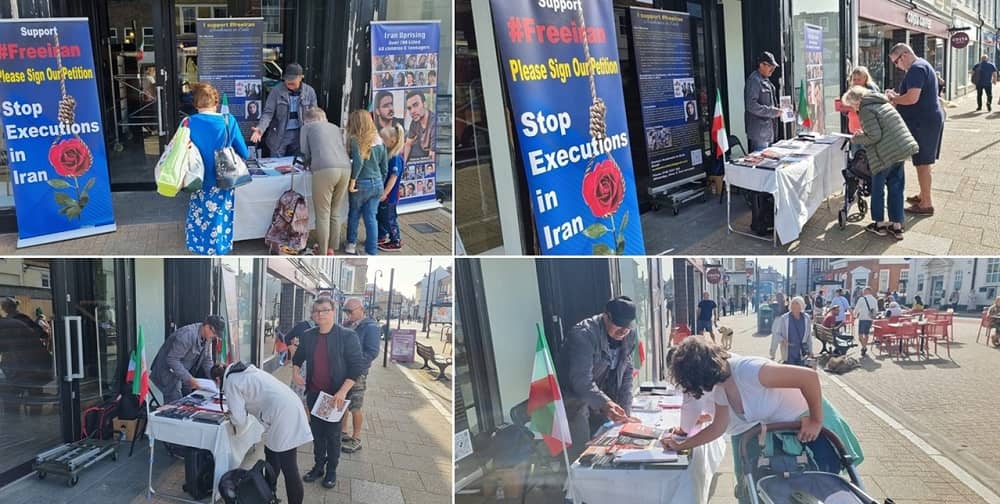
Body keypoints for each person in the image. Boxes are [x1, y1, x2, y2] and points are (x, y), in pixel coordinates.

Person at [663, 337, 863, 503]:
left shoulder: (749, 370)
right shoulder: (721, 387)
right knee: (798, 494)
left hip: (812, 424)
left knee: (824, 490)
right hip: (789, 433)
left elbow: (809, 378)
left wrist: (816, 420)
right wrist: (683, 444)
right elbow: (717, 428)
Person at [211, 362, 312, 504]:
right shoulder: (242, 371)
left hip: (283, 414)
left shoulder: (231, 381)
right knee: (271, 458)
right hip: (286, 406)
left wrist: (233, 416)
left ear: (217, 380)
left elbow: (239, 420)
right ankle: (267, 497)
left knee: (289, 468)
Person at [291, 298, 365, 489]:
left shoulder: (347, 336)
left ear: (334, 312)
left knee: (333, 435)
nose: (320, 314)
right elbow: (298, 357)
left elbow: (357, 367)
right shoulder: (308, 335)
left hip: (335, 397)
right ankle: (318, 467)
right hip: (315, 394)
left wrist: (342, 392)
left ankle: (331, 470)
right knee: (317, 434)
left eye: (324, 310)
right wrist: (295, 372)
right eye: (316, 311)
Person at [557, 296, 640, 461]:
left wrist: (625, 413)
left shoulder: (629, 335)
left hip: (601, 394)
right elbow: (581, 381)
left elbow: (626, 375)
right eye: (619, 324)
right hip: (573, 398)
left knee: (610, 445)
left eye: (628, 326)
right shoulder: (583, 335)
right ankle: (574, 484)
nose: (623, 331)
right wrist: (606, 404)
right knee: (582, 455)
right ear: (606, 316)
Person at [841, 86, 918, 240]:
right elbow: (882, 130)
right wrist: (865, 134)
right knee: (896, 188)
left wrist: (856, 138)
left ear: (857, 102)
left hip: (884, 155)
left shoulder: (866, 109)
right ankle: (897, 225)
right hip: (899, 150)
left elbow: (875, 136)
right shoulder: (881, 103)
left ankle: (880, 224)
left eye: (853, 106)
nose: (855, 109)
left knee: (878, 190)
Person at [184, 82, 250, 255]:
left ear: (196, 103)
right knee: (220, 216)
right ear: (216, 102)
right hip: (224, 180)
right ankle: (219, 250)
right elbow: (244, 152)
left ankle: (200, 249)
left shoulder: (187, 122)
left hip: (197, 179)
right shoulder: (229, 121)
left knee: (200, 216)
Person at [886, 43, 944, 215]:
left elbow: (912, 98)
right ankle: (923, 194)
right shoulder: (922, 65)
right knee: (923, 162)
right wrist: (897, 96)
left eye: (896, 62)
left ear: (903, 56)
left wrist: (895, 98)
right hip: (927, 120)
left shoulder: (916, 69)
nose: (897, 66)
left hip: (923, 123)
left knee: (922, 163)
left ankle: (926, 204)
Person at [300, 107, 351, 255]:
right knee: (335, 212)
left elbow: (305, 151)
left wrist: (307, 163)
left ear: (307, 120)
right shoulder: (335, 127)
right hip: (346, 168)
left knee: (322, 213)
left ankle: (321, 252)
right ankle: (331, 249)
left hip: (325, 169)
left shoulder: (307, 127)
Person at [150, 315, 224, 405]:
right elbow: (172, 359)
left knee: (191, 400)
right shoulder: (187, 335)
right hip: (167, 373)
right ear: (208, 327)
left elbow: (207, 360)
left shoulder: (207, 337)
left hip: (181, 373)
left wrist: (214, 377)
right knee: (175, 406)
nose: (215, 337)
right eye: (214, 333)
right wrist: (189, 379)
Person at [339, 298, 381, 453]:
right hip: (343, 371)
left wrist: (355, 367)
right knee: (342, 402)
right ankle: (343, 432)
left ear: (361, 309)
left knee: (355, 406)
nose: (347, 314)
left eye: (350, 311)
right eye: (345, 311)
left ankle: (356, 438)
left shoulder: (371, 327)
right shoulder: (347, 325)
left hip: (357, 373)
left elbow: (371, 352)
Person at [345, 110, 389, 256]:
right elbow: (385, 167)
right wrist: (380, 182)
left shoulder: (356, 139)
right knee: (371, 217)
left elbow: (358, 162)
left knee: (354, 214)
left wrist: (352, 182)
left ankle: (351, 244)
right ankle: (371, 250)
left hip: (361, 183)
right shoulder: (379, 140)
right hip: (377, 184)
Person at [251, 63, 318, 157]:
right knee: (276, 164)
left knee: (299, 164)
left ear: (301, 77)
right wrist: (260, 129)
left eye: (292, 81)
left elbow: (314, 115)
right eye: (287, 81)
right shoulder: (276, 91)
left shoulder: (309, 92)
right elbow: (268, 113)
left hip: (300, 134)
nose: (289, 84)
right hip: (279, 134)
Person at [744, 51, 782, 151]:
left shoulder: (766, 80)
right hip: (759, 134)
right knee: (762, 163)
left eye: (774, 67)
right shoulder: (754, 80)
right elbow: (751, 105)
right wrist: (773, 111)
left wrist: (780, 108)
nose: (772, 70)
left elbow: (768, 103)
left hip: (768, 132)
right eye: (770, 66)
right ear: (761, 65)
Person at [377, 124, 405, 252]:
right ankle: (382, 235)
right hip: (387, 195)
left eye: (382, 139)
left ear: (392, 141)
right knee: (382, 216)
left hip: (390, 196)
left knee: (389, 218)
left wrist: (385, 193)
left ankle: (396, 240)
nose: (380, 141)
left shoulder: (395, 158)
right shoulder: (390, 155)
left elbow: (393, 177)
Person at [770, 296, 813, 366]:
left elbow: (809, 337)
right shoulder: (784, 318)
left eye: (797, 303)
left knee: (800, 372)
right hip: (789, 352)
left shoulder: (806, 318)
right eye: (793, 303)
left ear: (801, 305)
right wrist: (783, 340)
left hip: (802, 351)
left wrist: (810, 351)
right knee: (790, 372)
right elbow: (777, 334)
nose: (794, 305)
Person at [403, 90, 436, 161]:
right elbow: (408, 144)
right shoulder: (414, 122)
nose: (412, 111)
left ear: (424, 104)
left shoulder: (434, 122)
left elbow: (433, 154)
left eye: (415, 105)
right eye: (409, 108)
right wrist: (404, 165)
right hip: (421, 150)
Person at [853, 287, 879, 357]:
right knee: (866, 334)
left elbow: (856, 308)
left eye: (864, 291)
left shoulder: (862, 299)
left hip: (863, 318)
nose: (863, 292)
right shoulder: (874, 299)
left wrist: (854, 316)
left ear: (867, 291)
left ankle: (864, 347)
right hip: (870, 319)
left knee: (860, 335)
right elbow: (876, 310)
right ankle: (864, 347)